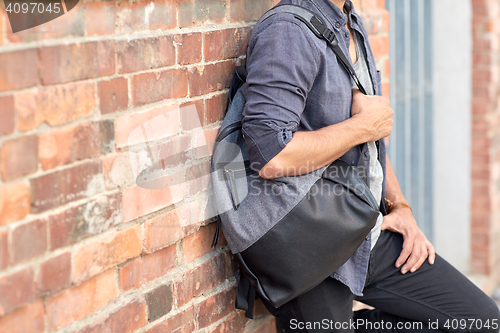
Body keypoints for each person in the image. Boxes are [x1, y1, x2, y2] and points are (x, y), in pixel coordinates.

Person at [240, 0, 500, 331]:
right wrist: (364, 126)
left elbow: (368, 139)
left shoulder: (348, 21)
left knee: (480, 320)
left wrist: (401, 207)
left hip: (363, 229)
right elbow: (271, 155)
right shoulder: (288, 32)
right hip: (309, 243)